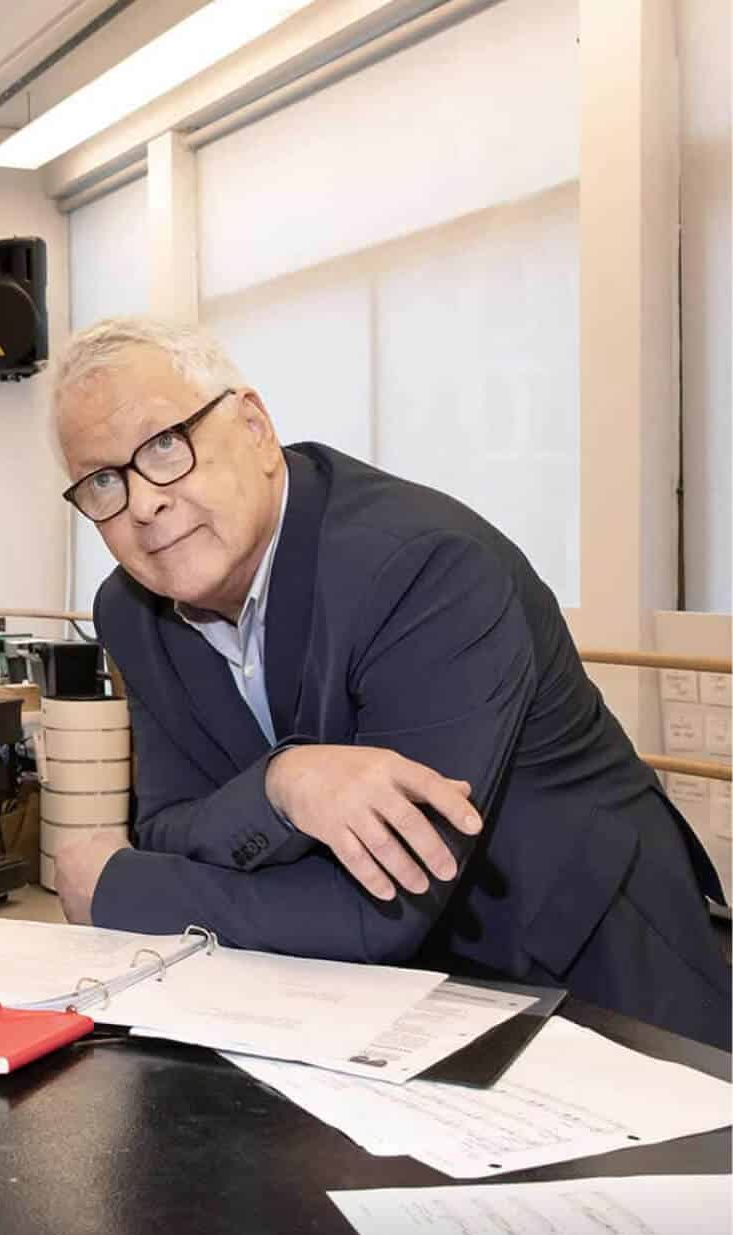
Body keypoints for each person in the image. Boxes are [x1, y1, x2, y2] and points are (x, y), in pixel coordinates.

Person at [51, 317, 729, 1049]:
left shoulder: (423, 564)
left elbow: (375, 909)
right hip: (375, 1001)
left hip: (587, 966)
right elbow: (167, 824)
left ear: (252, 426)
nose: (143, 502)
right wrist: (283, 786)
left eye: (164, 446)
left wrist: (114, 887)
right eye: (101, 481)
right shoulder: (129, 608)